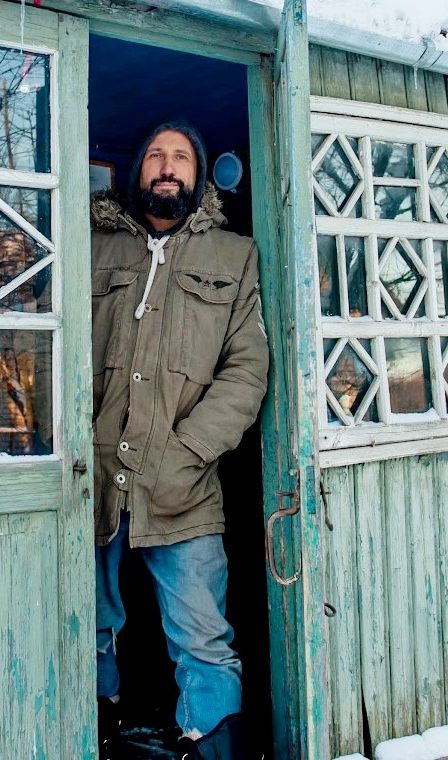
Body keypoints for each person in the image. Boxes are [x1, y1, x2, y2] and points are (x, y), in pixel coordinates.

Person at [91, 121, 268, 760]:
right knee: (90, 630)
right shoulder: (93, 249)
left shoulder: (234, 256)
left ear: (197, 177)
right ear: (138, 170)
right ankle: (98, 737)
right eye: (157, 156)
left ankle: (212, 750)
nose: (168, 167)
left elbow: (246, 373)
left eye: (182, 158)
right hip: (95, 483)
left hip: (185, 489)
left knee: (203, 639)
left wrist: (188, 451)